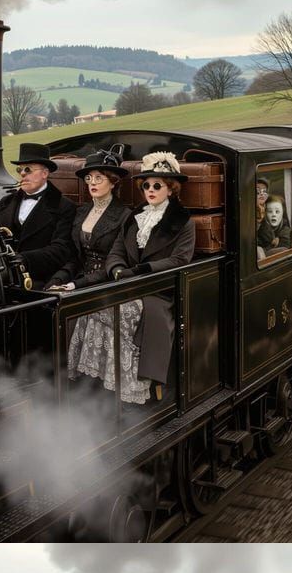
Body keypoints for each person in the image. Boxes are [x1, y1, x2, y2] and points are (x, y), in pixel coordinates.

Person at [105, 150, 196, 398]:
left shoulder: (183, 221)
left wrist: (143, 270)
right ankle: (109, 380)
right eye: (146, 185)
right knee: (97, 310)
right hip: (127, 284)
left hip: (160, 289)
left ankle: (144, 386)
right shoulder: (134, 217)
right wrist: (116, 269)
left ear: (171, 188)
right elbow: (116, 250)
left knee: (125, 314)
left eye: (158, 185)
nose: (151, 190)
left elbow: (180, 259)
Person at [47, 147, 131, 291]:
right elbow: (74, 257)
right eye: (89, 178)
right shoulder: (81, 212)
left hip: (108, 283)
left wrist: (76, 285)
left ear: (112, 182)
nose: (92, 182)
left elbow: (118, 261)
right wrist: (58, 279)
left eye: (98, 178)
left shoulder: (125, 215)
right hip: (78, 278)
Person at [0, 142, 75, 287]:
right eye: (20, 169)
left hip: (40, 281)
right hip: (5, 278)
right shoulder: (6, 203)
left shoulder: (64, 206)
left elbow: (61, 250)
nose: (22, 174)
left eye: (28, 169)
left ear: (45, 173)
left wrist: (26, 259)